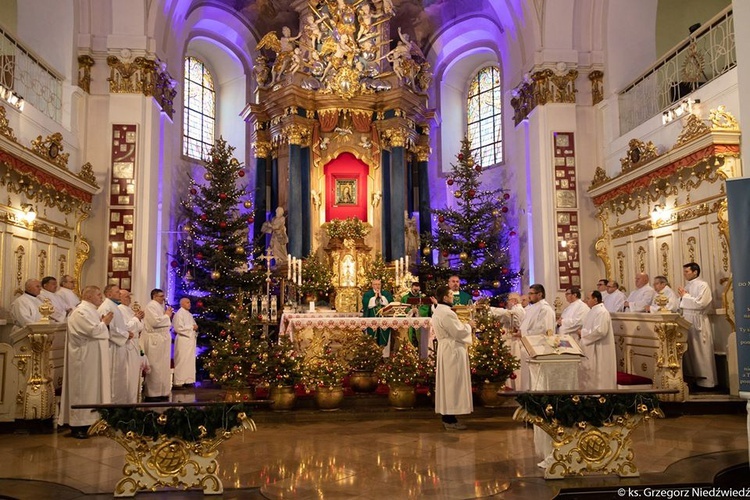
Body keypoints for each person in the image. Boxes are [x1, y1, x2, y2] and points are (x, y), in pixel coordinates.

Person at [58, 286, 113, 439]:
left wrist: (103, 323)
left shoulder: (91, 311)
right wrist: (105, 323)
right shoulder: (80, 312)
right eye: (98, 295)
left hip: (93, 359)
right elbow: (92, 331)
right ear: (88, 296)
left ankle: (92, 422)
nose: (101, 298)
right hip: (84, 359)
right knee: (83, 391)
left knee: (93, 390)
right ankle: (79, 425)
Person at [432, 285, 474, 431]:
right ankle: (450, 419)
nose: (453, 297)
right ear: (444, 297)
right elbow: (458, 332)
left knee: (448, 383)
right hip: (452, 349)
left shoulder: (438, 311)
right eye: (450, 295)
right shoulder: (447, 313)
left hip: (446, 349)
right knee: (453, 384)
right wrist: (469, 325)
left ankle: (449, 417)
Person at [678, 262, 717, 389]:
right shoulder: (688, 285)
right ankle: (693, 378)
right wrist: (683, 297)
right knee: (690, 351)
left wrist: (685, 296)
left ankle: (707, 381)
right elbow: (684, 303)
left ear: (695, 272)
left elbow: (701, 303)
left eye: (687, 272)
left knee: (701, 350)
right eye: (684, 272)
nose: (684, 274)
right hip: (687, 319)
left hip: (698, 320)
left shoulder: (703, 285)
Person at [518, 284, 556, 391]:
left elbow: (543, 330)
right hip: (528, 346)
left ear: (539, 294)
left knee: (537, 380)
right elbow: (526, 325)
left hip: (538, 348)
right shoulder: (532, 308)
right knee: (528, 378)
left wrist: (523, 333)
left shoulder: (545, 309)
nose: (529, 296)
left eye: (531, 293)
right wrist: (520, 331)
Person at [98, 284, 131, 403]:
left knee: (119, 377)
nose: (119, 294)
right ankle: (112, 403)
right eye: (117, 292)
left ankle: (120, 403)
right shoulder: (106, 307)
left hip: (119, 345)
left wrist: (126, 333)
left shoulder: (114, 306)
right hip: (112, 347)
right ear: (109, 294)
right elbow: (109, 329)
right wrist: (126, 334)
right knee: (113, 376)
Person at [579, 290, 616, 390]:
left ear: (595, 300)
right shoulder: (593, 310)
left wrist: (583, 333)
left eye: (588, 298)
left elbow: (600, 331)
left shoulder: (602, 312)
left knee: (598, 373)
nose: (586, 300)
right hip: (590, 346)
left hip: (599, 347)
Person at [143, 288, 174, 401]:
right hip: (155, 340)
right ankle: (153, 393)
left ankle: (162, 391)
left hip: (162, 340)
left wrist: (166, 315)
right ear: (154, 296)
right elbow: (155, 322)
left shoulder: (159, 306)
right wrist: (167, 315)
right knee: (155, 366)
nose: (163, 298)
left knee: (163, 367)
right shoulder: (151, 306)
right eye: (161, 296)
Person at [119, 289, 146, 403]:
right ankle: (129, 401)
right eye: (126, 296)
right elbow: (127, 327)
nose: (129, 298)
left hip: (135, 343)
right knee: (129, 375)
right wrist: (136, 319)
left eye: (129, 296)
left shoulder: (129, 309)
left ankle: (135, 400)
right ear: (120, 298)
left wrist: (139, 319)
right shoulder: (119, 310)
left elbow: (139, 327)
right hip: (127, 345)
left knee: (135, 374)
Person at [172, 297, 198, 388]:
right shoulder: (179, 314)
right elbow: (178, 328)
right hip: (183, 341)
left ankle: (188, 380)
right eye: (187, 302)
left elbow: (194, 325)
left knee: (189, 361)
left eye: (189, 302)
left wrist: (194, 327)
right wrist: (191, 327)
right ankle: (178, 382)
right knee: (182, 361)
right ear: (182, 304)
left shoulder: (189, 314)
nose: (189, 304)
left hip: (190, 342)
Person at [361, 278, 393, 347]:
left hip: (384, 319)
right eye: (375, 284)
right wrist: (374, 298)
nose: (377, 286)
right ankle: (372, 350)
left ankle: (383, 352)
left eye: (379, 284)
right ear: (372, 285)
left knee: (383, 335)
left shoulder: (386, 293)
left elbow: (391, 303)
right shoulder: (368, 294)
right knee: (372, 336)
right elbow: (365, 303)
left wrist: (382, 297)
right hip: (372, 318)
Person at [401, 281, 430, 348]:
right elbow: (402, 308)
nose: (416, 291)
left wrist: (417, 311)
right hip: (409, 321)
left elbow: (425, 308)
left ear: (419, 288)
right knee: (409, 337)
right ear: (411, 288)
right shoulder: (405, 298)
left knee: (420, 339)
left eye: (417, 290)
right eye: (414, 289)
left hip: (419, 320)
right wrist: (411, 310)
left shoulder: (423, 297)